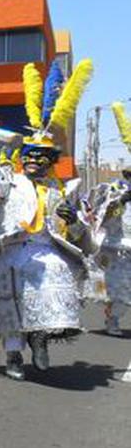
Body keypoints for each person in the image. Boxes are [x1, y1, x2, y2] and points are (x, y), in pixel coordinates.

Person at [0, 60, 93, 380]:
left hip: (47, 251)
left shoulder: (60, 190)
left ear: (48, 163)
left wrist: (72, 221)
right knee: (11, 306)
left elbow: (75, 232)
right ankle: (13, 356)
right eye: (28, 156)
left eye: (39, 158)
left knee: (56, 279)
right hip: (12, 249)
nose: (32, 161)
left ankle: (40, 337)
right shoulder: (10, 180)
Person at [87, 103, 131, 336]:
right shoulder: (115, 189)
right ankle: (112, 320)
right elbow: (101, 215)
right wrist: (121, 200)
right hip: (117, 249)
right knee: (118, 292)